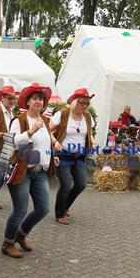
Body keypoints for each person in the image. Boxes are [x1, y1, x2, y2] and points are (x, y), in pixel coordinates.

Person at [1, 83, 61, 258]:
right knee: (20, 210)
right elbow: (11, 142)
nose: (38, 101)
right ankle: (8, 243)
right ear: (27, 102)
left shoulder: (45, 121)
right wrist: (31, 131)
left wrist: (50, 155)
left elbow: (43, 144)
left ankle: (21, 234)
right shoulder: (19, 120)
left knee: (43, 208)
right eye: (34, 98)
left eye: (41, 99)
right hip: (22, 171)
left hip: (39, 171)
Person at [52, 88, 95, 225]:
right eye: (81, 103)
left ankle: (65, 206)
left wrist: (92, 141)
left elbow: (89, 133)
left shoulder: (88, 117)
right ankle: (59, 213)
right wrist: (55, 141)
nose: (84, 106)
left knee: (81, 184)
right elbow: (48, 130)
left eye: (87, 103)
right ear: (75, 102)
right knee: (65, 184)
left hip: (79, 156)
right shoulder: (62, 114)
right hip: (63, 154)